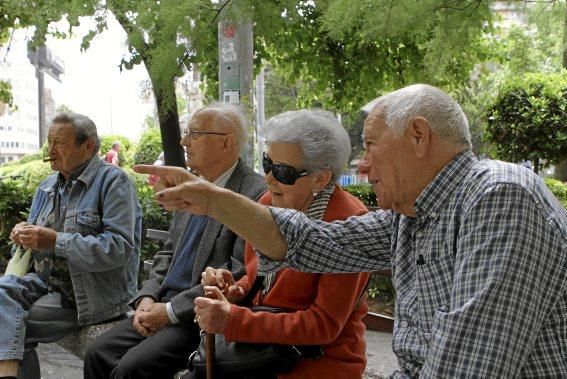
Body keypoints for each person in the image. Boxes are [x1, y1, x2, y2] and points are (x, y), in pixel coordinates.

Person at [134, 84, 567, 378]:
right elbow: (314, 243)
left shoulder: (501, 198)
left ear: (418, 136)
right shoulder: (413, 215)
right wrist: (213, 199)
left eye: (372, 144)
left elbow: (467, 367)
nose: (362, 165)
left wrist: (236, 319)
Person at [84, 103, 266, 379]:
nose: (183, 142)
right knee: (97, 353)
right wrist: (146, 297)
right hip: (160, 304)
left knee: (131, 369)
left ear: (226, 142)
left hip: (196, 318)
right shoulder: (191, 185)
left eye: (194, 133)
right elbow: (168, 253)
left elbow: (240, 274)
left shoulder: (252, 194)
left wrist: (168, 312)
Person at [194, 110, 370, 378]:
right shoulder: (267, 204)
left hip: (316, 362)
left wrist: (233, 320)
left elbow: (323, 325)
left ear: (320, 179)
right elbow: (260, 282)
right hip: (263, 352)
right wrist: (232, 289)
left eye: (283, 171)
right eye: (267, 164)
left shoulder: (348, 223)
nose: (268, 178)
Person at [1, 113, 142, 378]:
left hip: (87, 298)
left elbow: (119, 249)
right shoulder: (47, 186)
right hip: (44, 286)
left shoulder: (114, 182)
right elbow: (29, 249)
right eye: (49, 142)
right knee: (3, 300)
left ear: (87, 146)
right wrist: (22, 237)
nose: (51, 150)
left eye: (60, 143)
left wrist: (55, 240)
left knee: (9, 323)